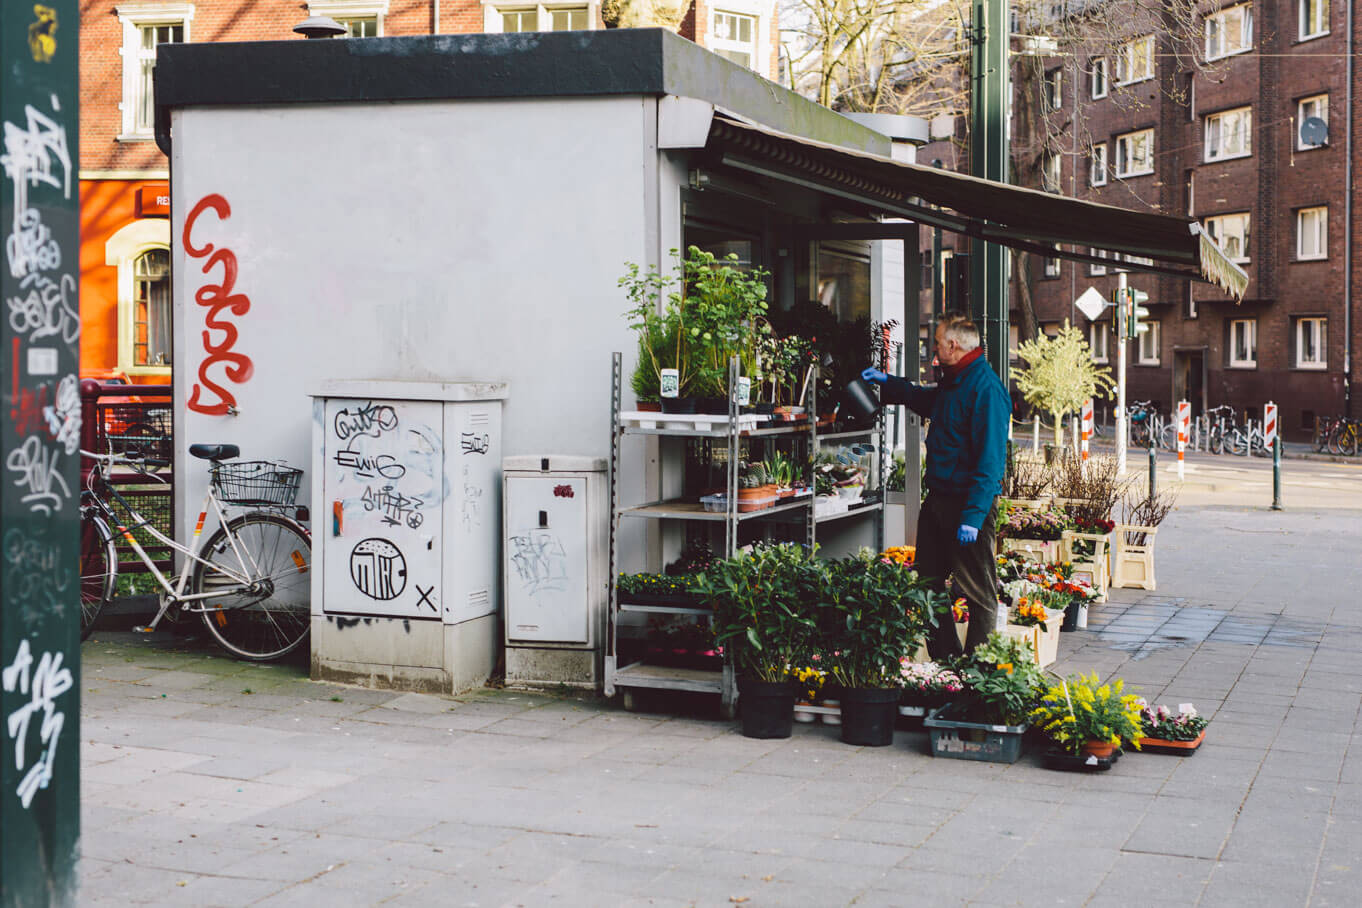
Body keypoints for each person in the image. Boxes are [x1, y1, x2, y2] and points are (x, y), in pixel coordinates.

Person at [861, 314, 1011, 658]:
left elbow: (990, 463)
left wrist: (973, 518)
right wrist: (890, 384)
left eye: (937, 343)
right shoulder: (955, 382)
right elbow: (927, 400)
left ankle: (978, 674)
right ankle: (949, 663)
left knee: (979, 593)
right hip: (939, 503)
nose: (934, 350)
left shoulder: (986, 390)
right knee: (927, 585)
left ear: (953, 346)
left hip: (966, 507)